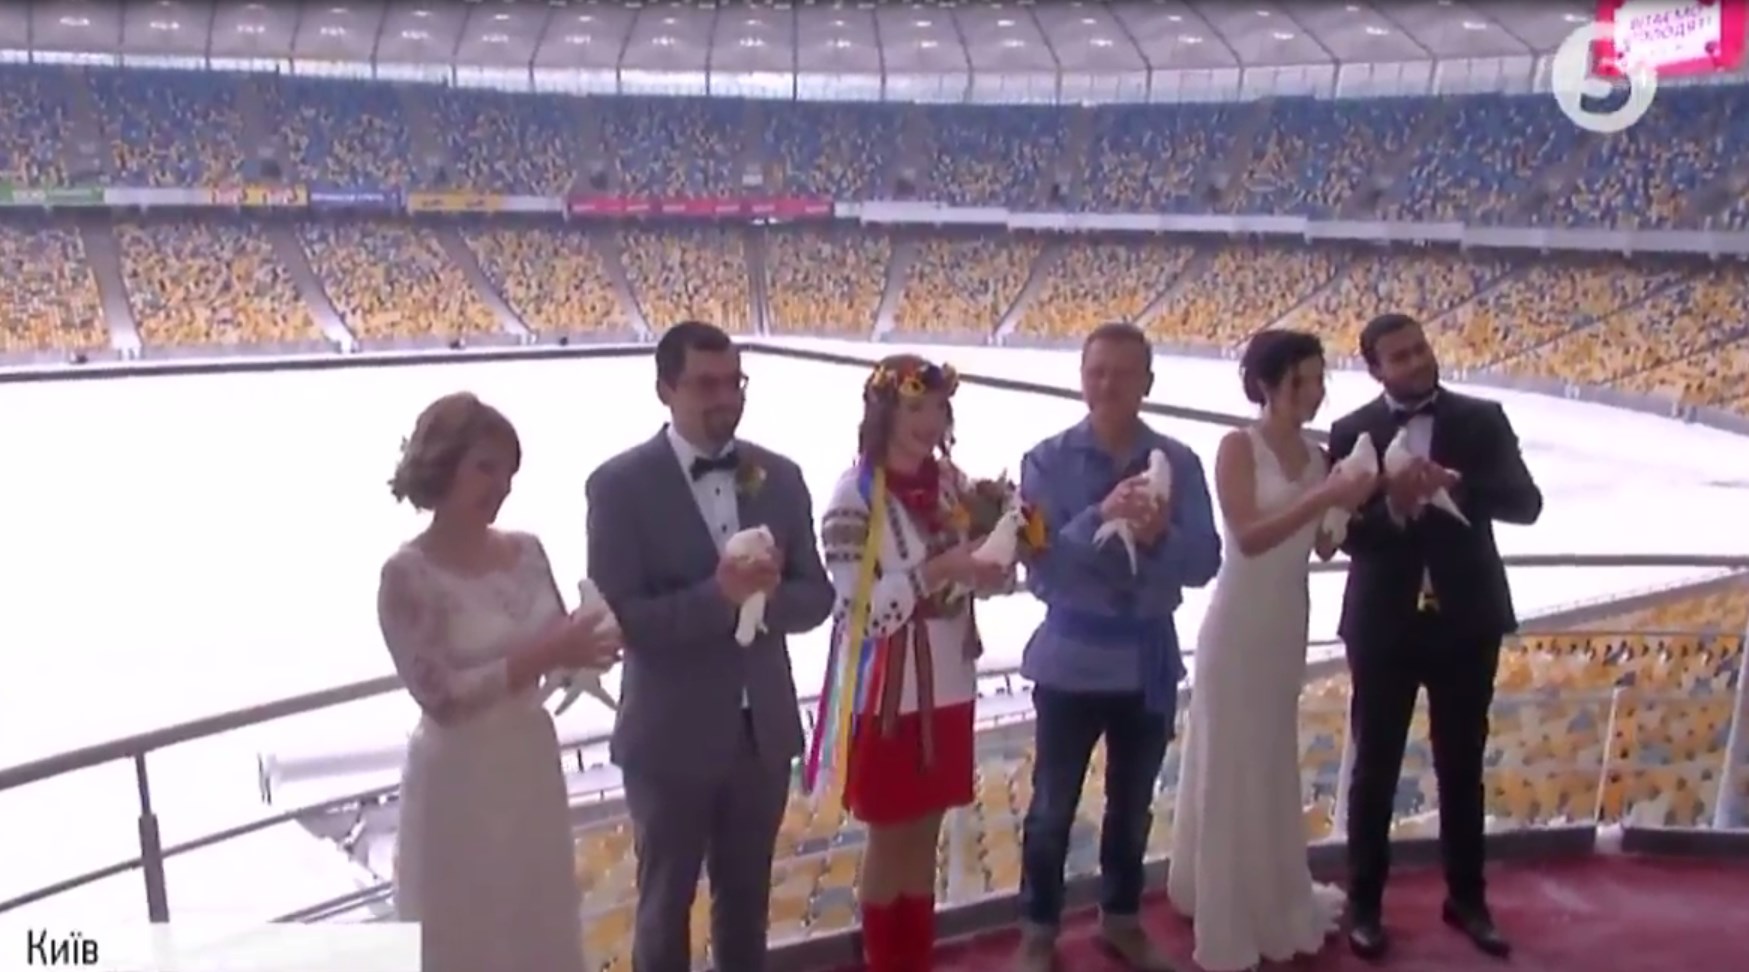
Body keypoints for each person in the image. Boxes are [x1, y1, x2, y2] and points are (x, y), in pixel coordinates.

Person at [585, 321, 835, 972]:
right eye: (706, 384)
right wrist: (718, 596)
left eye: (734, 382)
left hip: (762, 736)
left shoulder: (780, 476)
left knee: (747, 906)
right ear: (665, 389)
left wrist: (767, 596)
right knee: (664, 908)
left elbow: (817, 597)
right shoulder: (618, 486)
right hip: (669, 739)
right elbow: (620, 619)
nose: (725, 398)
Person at [375, 392, 623, 972]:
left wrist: (595, 643)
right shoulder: (406, 575)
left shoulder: (529, 551)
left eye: (509, 472)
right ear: (442, 465)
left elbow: (561, 652)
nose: (502, 485)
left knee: (539, 918)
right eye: (486, 467)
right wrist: (550, 651)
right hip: (459, 778)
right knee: (466, 930)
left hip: (531, 764)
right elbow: (441, 697)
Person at [1328, 312, 1542, 962]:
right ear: (1375, 369)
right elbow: (1343, 536)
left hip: (1467, 621)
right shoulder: (1352, 431)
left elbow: (1526, 504)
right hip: (1383, 624)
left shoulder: (1481, 419)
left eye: (1420, 349)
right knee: (1374, 770)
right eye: (1400, 356)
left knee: (1461, 764)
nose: (1418, 361)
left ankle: (1468, 900)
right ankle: (1365, 905)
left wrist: (1459, 486)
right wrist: (1393, 506)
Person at [1012, 322, 1223, 972]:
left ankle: (1121, 919)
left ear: (1147, 383)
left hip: (1145, 664)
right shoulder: (1045, 461)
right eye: (1096, 371)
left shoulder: (1179, 462)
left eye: (1122, 373)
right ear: (1081, 378)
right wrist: (1097, 518)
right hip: (1069, 662)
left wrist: (1159, 538)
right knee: (1050, 810)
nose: (1107, 385)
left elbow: (1205, 561)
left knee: (1131, 808)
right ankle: (1037, 931)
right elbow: (1040, 568)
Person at [1165, 330, 1377, 971]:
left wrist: (1350, 504)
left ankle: (1268, 888)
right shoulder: (1238, 446)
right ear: (1267, 384)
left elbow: (1322, 546)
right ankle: (1224, 898)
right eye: (1301, 381)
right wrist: (1326, 496)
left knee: (1269, 753)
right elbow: (1249, 536)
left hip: (1287, 619)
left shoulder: (1317, 456)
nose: (1313, 393)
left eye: (1318, 380)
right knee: (1230, 755)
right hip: (1238, 621)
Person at [815, 355, 1011, 972]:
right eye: (914, 407)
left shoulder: (951, 484)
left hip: (949, 682)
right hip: (887, 695)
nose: (929, 421)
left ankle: (914, 960)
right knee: (891, 835)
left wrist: (995, 565)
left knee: (925, 835)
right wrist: (940, 570)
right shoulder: (853, 496)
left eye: (938, 408)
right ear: (883, 413)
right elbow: (859, 610)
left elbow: (974, 576)